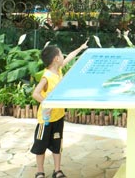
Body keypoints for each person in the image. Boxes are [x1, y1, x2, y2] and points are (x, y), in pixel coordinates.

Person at [31, 40, 89, 178]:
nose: (64, 56)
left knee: (57, 144)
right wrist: (48, 103)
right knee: (40, 146)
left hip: (58, 116)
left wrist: (80, 47)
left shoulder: (58, 69)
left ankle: (57, 170)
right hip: (45, 119)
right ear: (56, 59)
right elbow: (35, 93)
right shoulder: (46, 77)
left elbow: (69, 57)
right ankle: (40, 172)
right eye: (61, 54)